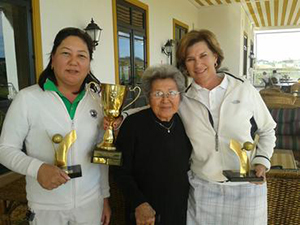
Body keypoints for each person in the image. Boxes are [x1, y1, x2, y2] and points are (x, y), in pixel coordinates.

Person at [0, 27, 111, 225]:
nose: (73, 62)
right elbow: (5, 149)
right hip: (46, 208)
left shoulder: (97, 102)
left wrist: (104, 197)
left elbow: (100, 154)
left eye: (82, 56)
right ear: (52, 60)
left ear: (88, 64)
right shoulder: (27, 99)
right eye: (66, 53)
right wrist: (37, 168)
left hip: (90, 204)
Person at [176, 29, 276, 225]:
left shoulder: (243, 88)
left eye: (203, 55)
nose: (198, 64)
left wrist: (262, 161)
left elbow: (267, 129)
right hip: (204, 188)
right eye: (190, 59)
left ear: (215, 56)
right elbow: (154, 108)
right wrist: (121, 117)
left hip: (245, 187)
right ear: (185, 66)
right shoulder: (183, 100)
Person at [114, 65, 192, 225]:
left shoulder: (185, 123)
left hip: (180, 211)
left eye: (171, 93)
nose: (165, 100)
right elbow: (119, 170)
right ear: (148, 97)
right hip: (144, 213)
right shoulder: (132, 125)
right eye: (158, 94)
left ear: (180, 96)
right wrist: (139, 203)